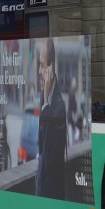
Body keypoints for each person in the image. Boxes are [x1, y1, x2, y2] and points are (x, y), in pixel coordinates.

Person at [35, 38, 67, 200]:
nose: (40, 71)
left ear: (51, 68)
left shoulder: (58, 105)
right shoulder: (44, 97)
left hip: (51, 194)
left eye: (42, 65)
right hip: (42, 189)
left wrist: (46, 103)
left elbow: (48, 158)